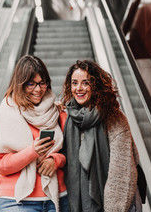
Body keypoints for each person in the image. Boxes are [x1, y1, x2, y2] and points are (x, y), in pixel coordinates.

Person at [0, 55, 68, 212]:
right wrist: (32, 152)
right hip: (16, 202)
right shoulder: (4, 118)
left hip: (57, 198)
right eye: (31, 84)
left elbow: (71, 153)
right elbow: (1, 166)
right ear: (20, 84)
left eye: (42, 83)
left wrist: (55, 160)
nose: (38, 89)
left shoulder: (57, 113)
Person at [61, 60, 142, 212]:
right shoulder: (69, 118)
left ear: (96, 85)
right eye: (74, 83)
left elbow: (122, 172)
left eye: (86, 83)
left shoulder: (114, 118)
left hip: (118, 204)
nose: (79, 88)